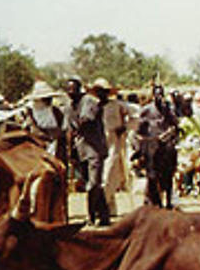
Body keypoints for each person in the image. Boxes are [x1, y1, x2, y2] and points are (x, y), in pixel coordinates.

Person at [66, 75, 111, 226]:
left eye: (73, 89)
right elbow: (68, 129)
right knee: (93, 184)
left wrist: (75, 130)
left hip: (95, 149)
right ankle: (104, 215)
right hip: (81, 150)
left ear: (80, 89)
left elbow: (86, 120)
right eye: (68, 89)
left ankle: (91, 216)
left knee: (92, 185)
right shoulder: (68, 106)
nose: (70, 92)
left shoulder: (89, 101)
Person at [136, 83, 179, 208]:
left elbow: (175, 125)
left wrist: (168, 133)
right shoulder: (146, 110)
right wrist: (142, 144)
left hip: (166, 146)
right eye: (156, 94)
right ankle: (155, 201)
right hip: (151, 147)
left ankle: (169, 201)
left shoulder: (168, 110)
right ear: (153, 95)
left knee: (168, 174)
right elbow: (139, 130)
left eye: (161, 94)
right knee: (153, 175)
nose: (159, 97)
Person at [102, 83, 132, 218]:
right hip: (97, 141)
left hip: (113, 140)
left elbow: (134, 116)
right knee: (101, 175)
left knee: (109, 172)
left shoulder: (117, 105)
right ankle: (108, 207)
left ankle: (105, 205)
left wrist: (124, 127)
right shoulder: (93, 105)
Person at [25, 80, 64, 154]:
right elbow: (32, 129)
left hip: (56, 144)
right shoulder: (31, 112)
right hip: (39, 145)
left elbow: (62, 128)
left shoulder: (56, 111)